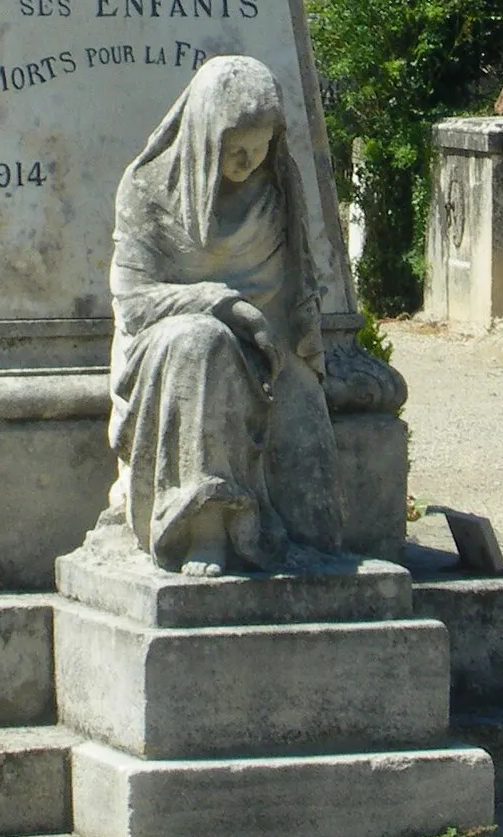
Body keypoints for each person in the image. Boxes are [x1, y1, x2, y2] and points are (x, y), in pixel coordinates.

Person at [105, 54, 343, 575]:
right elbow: (135, 299)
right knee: (201, 342)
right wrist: (221, 304)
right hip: (166, 348)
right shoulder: (148, 191)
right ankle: (203, 527)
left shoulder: (276, 189)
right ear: (204, 136)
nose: (250, 161)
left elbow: (295, 287)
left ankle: (252, 526)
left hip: (265, 348)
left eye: (261, 147)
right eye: (236, 148)